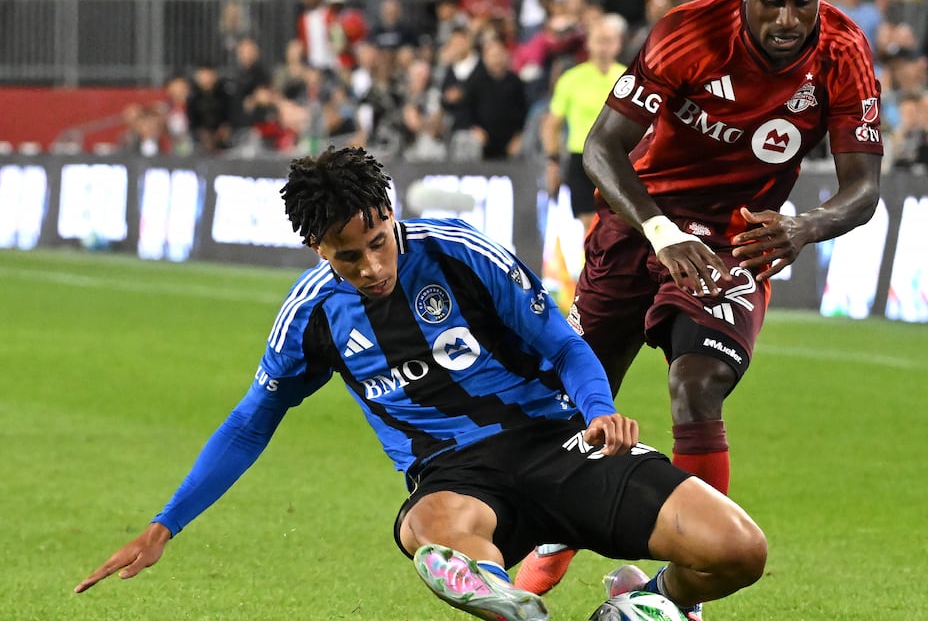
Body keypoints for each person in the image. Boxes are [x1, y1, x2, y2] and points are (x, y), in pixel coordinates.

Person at [73, 147, 766, 621]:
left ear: (389, 212)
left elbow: (561, 342)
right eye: (349, 256)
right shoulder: (312, 315)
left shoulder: (459, 251)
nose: (373, 265)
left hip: (558, 442)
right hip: (455, 477)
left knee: (739, 552)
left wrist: (599, 409)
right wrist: (167, 523)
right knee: (433, 528)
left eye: (379, 241)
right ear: (317, 249)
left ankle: (641, 602)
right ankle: (500, 596)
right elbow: (252, 422)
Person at [515, 0, 882, 596]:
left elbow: (864, 187)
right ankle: (558, 530)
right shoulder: (689, 32)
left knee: (696, 385)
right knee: (579, 393)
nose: (787, 17)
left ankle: (684, 587)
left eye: (804, 0)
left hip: (733, 238)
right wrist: (661, 230)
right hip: (641, 221)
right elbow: (601, 148)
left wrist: (803, 227)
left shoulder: (843, 49)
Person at [542, 14, 627, 233]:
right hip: (581, 159)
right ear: (589, 43)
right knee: (589, 224)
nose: (603, 47)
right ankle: (590, 267)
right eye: (599, 40)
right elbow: (552, 123)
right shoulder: (571, 78)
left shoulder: (626, 78)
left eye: (609, 41)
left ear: (618, 44)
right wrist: (553, 161)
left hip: (616, 160)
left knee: (617, 225)